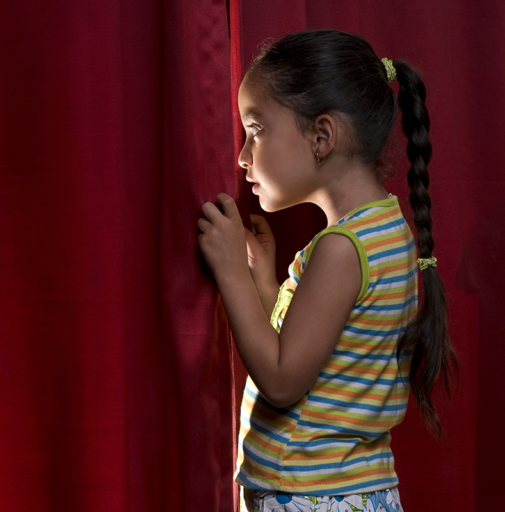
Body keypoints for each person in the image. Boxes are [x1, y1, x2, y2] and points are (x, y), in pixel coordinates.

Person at [196, 29, 457, 512]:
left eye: (255, 131)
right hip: (346, 491)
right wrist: (268, 284)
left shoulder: (340, 248)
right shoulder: (387, 229)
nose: (242, 156)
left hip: (311, 495)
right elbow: (327, 349)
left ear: (321, 136)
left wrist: (231, 270)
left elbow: (282, 380)